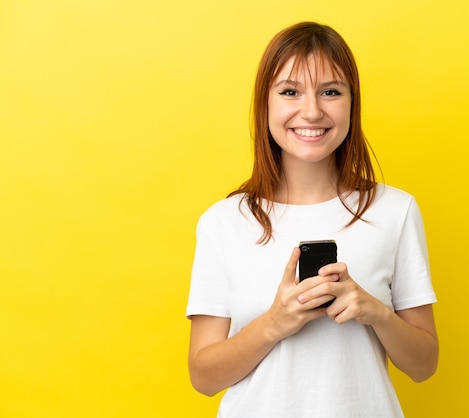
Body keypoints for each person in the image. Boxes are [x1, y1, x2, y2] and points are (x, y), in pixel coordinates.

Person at [186, 21, 438, 417]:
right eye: (290, 92)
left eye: (331, 92)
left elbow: (424, 365)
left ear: (352, 103)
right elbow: (203, 376)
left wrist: (374, 312)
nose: (312, 111)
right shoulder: (223, 223)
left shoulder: (395, 211)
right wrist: (275, 322)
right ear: (265, 103)